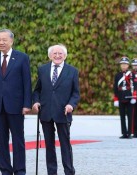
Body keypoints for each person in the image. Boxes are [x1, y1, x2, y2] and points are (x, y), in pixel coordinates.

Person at [0, 29, 32, 175]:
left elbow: (27, 83)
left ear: (11, 41)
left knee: (18, 140)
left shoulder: (22, 58)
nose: (1, 42)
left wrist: (27, 104)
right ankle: (5, 170)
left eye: (4, 40)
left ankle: (20, 170)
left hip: (16, 107)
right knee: (1, 141)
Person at [32, 44, 80, 175]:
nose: (57, 56)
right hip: (46, 112)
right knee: (49, 145)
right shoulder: (43, 69)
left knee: (65, 144)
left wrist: (71, 105)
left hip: (63, 112)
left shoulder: (72, 71)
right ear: (50, 55)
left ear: (65, 55)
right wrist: (35, 101)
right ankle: (51, 172)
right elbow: (37, 90)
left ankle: (69, 171)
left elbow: (76, 93)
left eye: (60, 54)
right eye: (55, 53)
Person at [113, 57, 134, 139]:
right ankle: (124, 133)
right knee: (122, 116)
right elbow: (115, 87)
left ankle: (130, 133)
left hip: (129, 97)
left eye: (125, 64)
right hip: (121, 97)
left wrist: (134, 97)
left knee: (130, 116)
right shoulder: (117, 75)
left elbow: (134, 86)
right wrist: (116, 98)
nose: (124, 66)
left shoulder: (131, 74)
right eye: (122, 64)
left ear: (128, 65)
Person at [131, 58, 137, 138]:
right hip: (133, 97)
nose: (135, 67)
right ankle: (135, 132)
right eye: (134, 65)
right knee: (134, 115)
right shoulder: (130, 74)